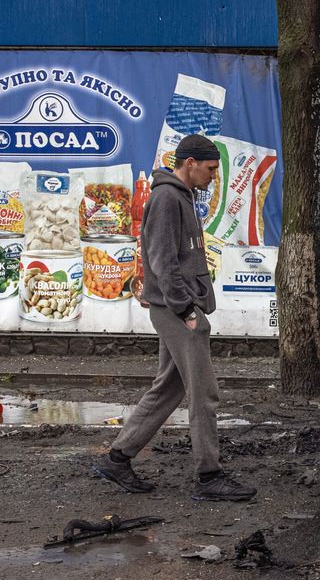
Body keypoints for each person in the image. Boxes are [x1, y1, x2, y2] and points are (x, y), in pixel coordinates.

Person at [92, 134, 256, 502]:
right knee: (205, 393)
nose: (214, 176)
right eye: (211, 169)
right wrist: (184, 309)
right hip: (177, 310)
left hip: (176, 306)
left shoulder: (180, 195)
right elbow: (162, 258)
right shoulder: (167, 198)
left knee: (170, 386)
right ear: (190, 163)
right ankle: (209, 476)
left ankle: (118, 459)